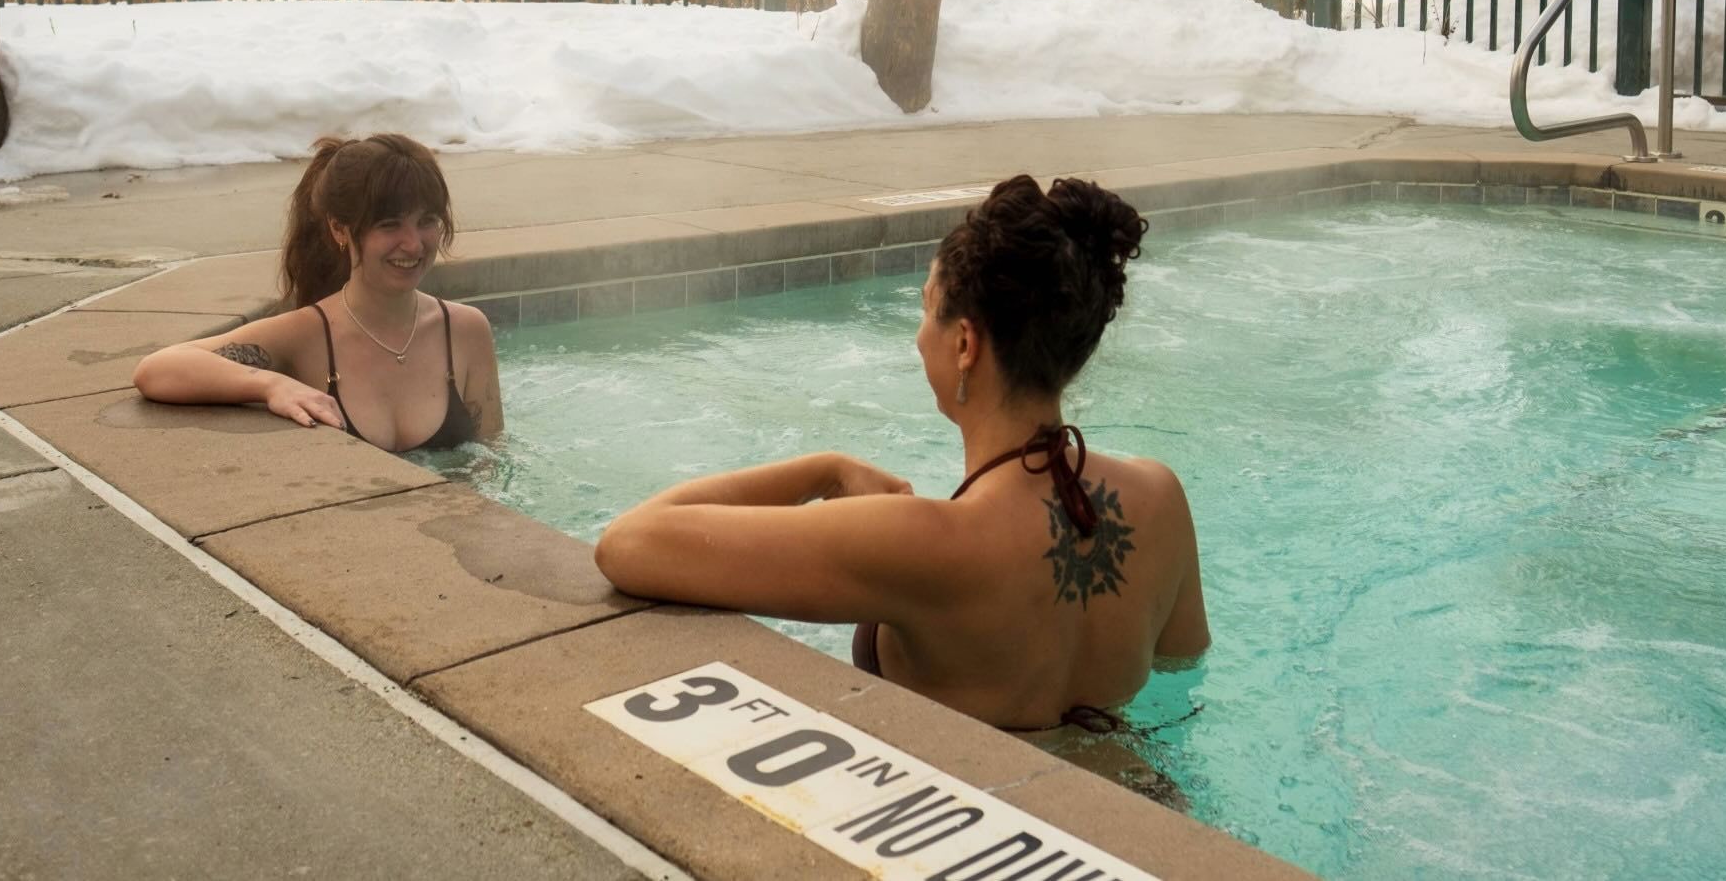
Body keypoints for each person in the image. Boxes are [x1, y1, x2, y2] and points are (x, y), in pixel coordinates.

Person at [594, 175, 1209, 733]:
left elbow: (629, 543)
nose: (920, 338)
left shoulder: (925, 543)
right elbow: (1182, 678)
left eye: (924, 307)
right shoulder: (1162, 500)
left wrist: (822, 469)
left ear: (965, 342)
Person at [132, 134, 502, 452]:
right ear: (340, 229)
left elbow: (492, 458)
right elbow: (157, 369)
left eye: (427, 222)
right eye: (389, 226)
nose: (413, 244)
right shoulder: (306, 335)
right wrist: (272, 386)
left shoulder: (466, 331)